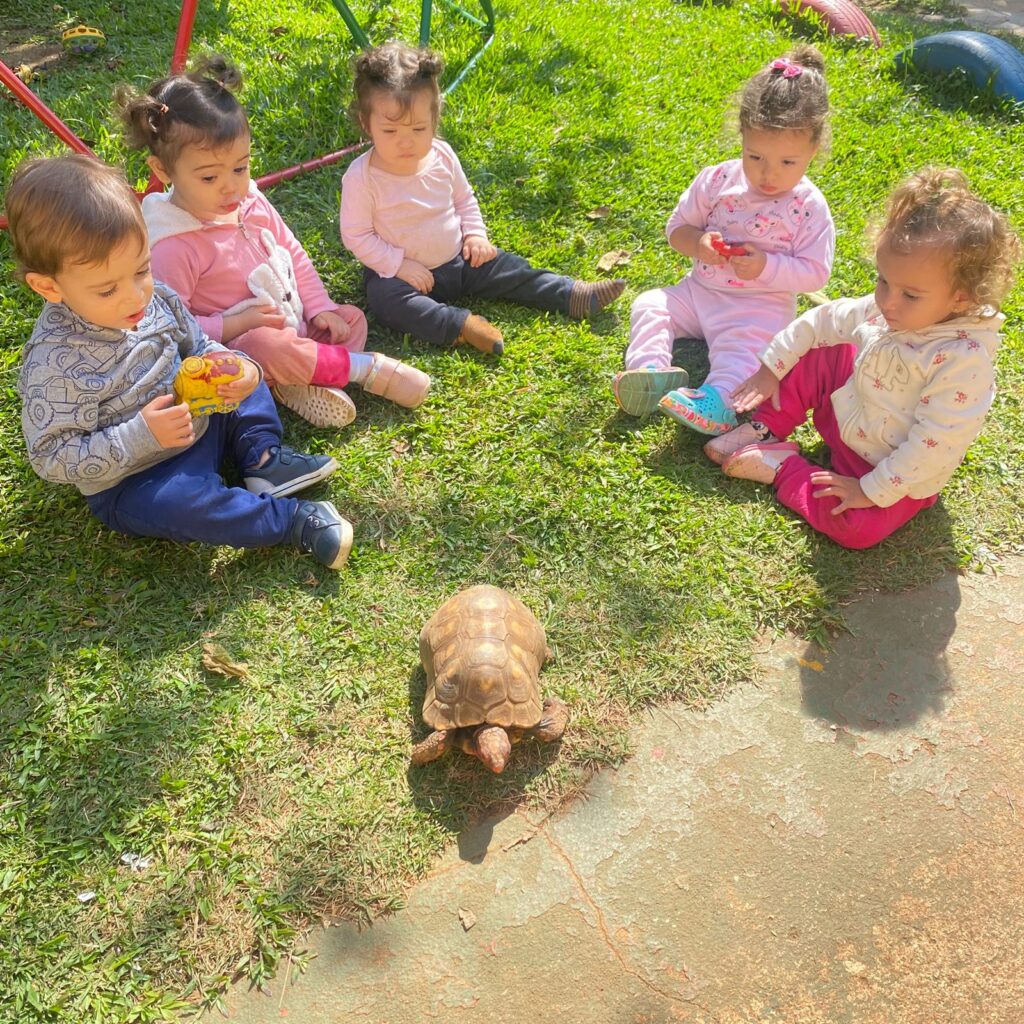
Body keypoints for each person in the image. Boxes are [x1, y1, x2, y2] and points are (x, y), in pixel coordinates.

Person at [10, 154, 353, 570]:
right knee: (182, 505)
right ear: (49, 286)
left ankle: (263, 457)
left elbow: (198, 343)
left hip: (203, 415)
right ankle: (293, 522)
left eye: (142, 269)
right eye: (106, 290)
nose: (136, 295)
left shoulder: (158, 299)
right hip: (138, 476)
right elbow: (51, 455)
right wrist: (141, 435)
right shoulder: (56, 366)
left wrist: (234, 370)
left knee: (239, 364)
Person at [705, 167, 1020, 549]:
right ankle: (767, 427)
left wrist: (870, 490)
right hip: (849, 417)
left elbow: (931, 446)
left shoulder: (961, 364)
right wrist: (772, 368)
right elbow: (822, 319)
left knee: (857, 528)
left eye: (910, 295)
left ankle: (780, 466)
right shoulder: (882, 308)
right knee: (823, 351)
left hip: (890, 469)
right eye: (884, 281)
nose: (887, 301)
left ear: (962, 298)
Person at [118, 55, 431, 429]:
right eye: (208, 178)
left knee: (350, 319)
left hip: (291, 321)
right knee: (267, 347)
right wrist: (234, 325)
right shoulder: (174, 243)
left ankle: (301, 379)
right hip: (242, 349)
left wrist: (319, 307)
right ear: (163, 170)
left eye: (240, 167)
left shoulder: (249, 199)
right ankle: (365, 370)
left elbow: (291, 252)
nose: (231, 185)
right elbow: (175, 327)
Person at [339, 41, 625, 355]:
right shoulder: (362, 177)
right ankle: (460, 325)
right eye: (391, 132)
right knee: (384, 300)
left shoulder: (442, 156)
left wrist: (475, 234)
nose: (406, 142)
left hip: (460, 260)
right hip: (404, 277)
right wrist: (398, 265)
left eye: (419, 129)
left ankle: (570, 294)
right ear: (367, 125)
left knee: (509, 268)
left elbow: (463, 199)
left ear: (435, 119)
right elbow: (357, 235)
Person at [614, 44, 834, 432]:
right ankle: (650, 371)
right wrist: (697, 244)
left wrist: (766, 266)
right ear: (743, 138)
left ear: (812, 151)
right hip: (699, 293)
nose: (768, 175)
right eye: (755, 157)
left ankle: (718, 399)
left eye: (787, 163)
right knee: (651, 304)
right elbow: (677, 228)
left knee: (744, 353)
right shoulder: (718, 180)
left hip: (756, 309)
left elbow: (815, 273)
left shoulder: (808, 205)